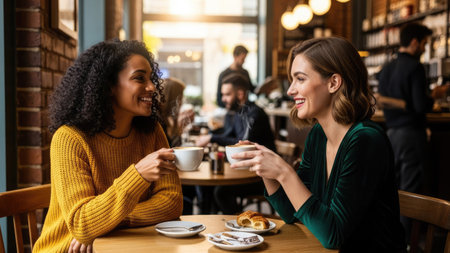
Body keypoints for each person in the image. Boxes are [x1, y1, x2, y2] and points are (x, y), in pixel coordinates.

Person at [230, 37, 406, 252]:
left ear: (333, 83)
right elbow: (292, 213)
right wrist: (265, 168)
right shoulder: (318, 135)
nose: (290, 90)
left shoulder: (365, 140)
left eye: (300, 79)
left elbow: (333, 235)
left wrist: (285, 173)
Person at [33, 40, 183, 252]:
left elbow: (172, 203)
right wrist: (138, 175)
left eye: (151, 79)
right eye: (139, 78)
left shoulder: (152, 132)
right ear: (109, 85)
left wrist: (108, 222)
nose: (151, 87)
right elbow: (82, 223)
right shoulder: (69, 138)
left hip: (126, 245)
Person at [196, 74, 276, 214]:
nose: (223, 99)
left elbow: (241, 143)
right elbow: (228, 135)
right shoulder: (238, 113)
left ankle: (240, 226)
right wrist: (209, 135)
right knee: (206, 187)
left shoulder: (254, 114)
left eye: (227, 94)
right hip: (244, 171)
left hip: (261, 178)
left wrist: (212, 137)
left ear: (240, 94)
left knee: (221, 192)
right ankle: (210, 226)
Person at [377, 23, 434, 195]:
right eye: (424, 44)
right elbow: (420, 106)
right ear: (415, 42)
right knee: (410, 192)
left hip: (391, 134)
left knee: (391, 191)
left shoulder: (386, 68)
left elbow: (381, 99)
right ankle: (405, 224)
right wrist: (434, 97)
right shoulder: (416, 67)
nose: (424, 48)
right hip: (411, 135)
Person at [160, 77, 195, 147]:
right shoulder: (159, 121)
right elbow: (171, 147)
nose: (181, 102)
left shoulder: (170, 118)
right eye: (181, 97)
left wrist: (180, 126)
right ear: (172, 97)